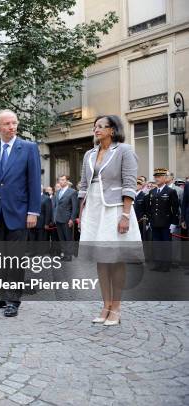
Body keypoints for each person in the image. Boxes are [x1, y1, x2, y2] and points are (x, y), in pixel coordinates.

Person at [78, 115, 142, 326]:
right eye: (94, 127)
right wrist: (81, 213)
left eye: (100, 127)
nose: (96, 130)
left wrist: (125, 215)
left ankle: (116, 307)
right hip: (93, 209)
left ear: (112, 130)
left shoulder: (124, 150)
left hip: (114, 209)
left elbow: (130, 183)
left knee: (115, 259)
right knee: (101, 260)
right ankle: (105, 306)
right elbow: (83, 186)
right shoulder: (89, 154)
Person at [0, 110, 41, 317]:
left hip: (20, 212)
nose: (12, 127)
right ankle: (2, 295)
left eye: (14, 123)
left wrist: (33, 211)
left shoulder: (28, 148)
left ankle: (14, 299)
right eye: (7, 124)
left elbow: (34, 182)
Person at [144, 168, 179, 272]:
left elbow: (175, 208)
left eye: (159, 177)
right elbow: (150, 208)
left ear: (165, 178)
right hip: (155, 223)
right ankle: (158, 264)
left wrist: (174, 223)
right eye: (156, 177)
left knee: (165, 245)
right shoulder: (152, 191)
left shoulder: (171, 191)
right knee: (157, 245)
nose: (157, 179)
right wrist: (150, 221)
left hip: (166, 223)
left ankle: (166, 265)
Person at [53, 175, 78, 261]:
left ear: (67, 181)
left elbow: (75, 207)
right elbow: (56, 206)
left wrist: (72, 219)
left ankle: (69, 255)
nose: (61, 181)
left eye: (63, 180)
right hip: (58, 218)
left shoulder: (72, 192)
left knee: (68, 238)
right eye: (60, 180)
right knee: (61, 238)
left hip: (67, 219)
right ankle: (64, 254)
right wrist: (54, 217)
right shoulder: (57, 192)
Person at [28, 185, 53, 253]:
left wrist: (46, 223)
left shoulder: (46, 198)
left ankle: (40, 253)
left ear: (41, 189)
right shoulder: (32, 197)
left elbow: (48, 212)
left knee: (41, 238)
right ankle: (33, 252)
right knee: (32, 238)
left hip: (41, 222)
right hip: (31, 221)